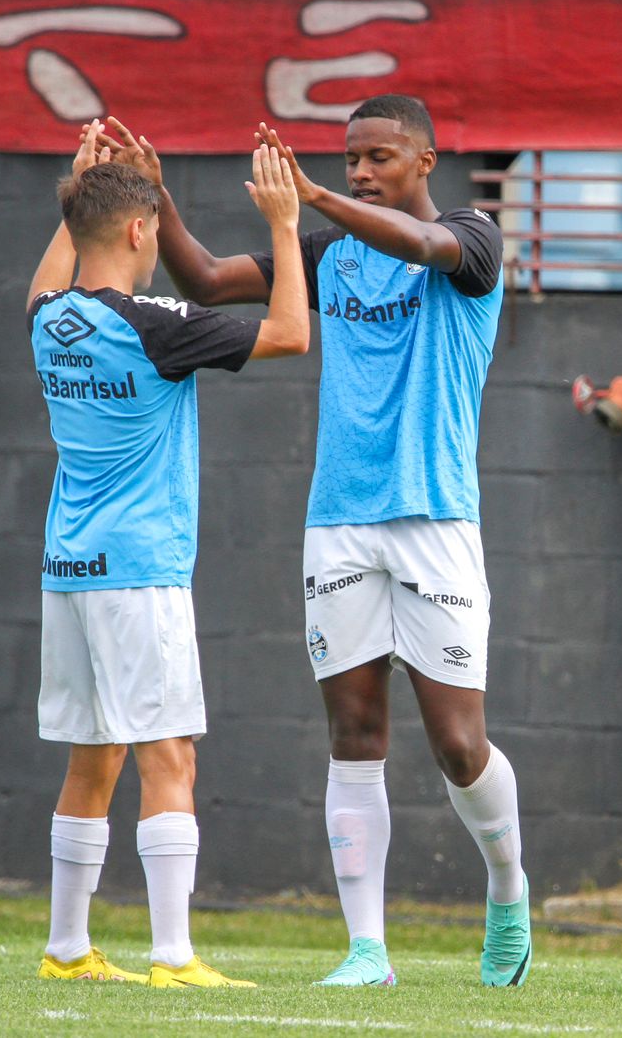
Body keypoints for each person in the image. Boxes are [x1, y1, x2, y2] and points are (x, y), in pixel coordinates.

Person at [109, 95, 530, 988]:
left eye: (379, 156)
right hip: (339, 522)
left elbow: (421, 247)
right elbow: (208, 283)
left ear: (425, 160)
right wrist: (165, 201)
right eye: (350, 160)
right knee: (354, 731)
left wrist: (312, 199)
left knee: (458, 744)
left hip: (435, 521)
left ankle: (506, 888)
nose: (362, 170)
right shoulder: (328, 252)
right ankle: (366, 952)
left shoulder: (474, 238)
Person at [27, 121, 308, 989]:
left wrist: (76, 194)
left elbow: (48, 276)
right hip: (140, 571)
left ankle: (67, 950)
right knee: (169, 755)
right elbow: (293, 333)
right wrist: (286, 227)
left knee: (93, 758)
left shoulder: (49, 320)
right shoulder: (156, 325)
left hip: (67, 570)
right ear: (143, 232)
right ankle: (174, 957)